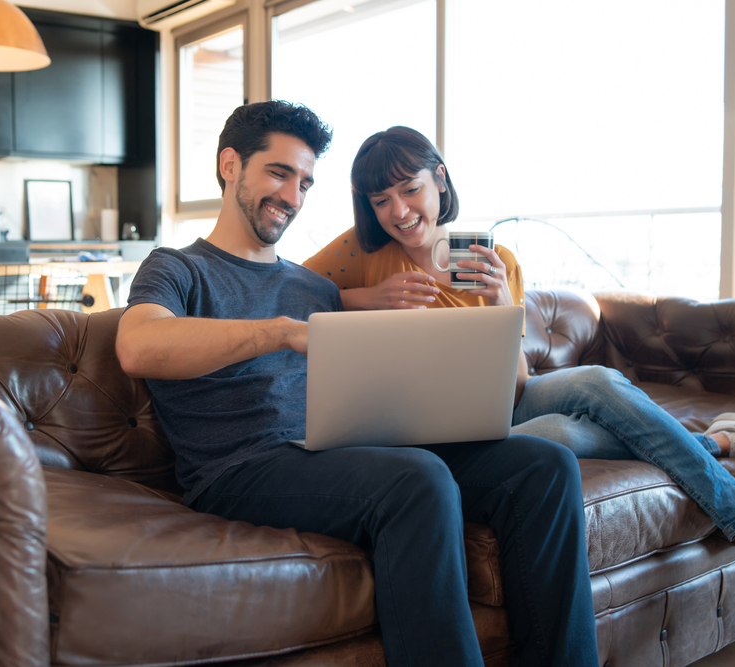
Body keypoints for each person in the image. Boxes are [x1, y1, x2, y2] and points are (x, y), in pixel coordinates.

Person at [302, 124, 735, 659]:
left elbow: (521, 383)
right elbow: (283, 286)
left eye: (409, 189)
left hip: (505, 405)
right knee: (550, 440)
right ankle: (721, 443)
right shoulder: (362, 253)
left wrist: (505, 307)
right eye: (381, 200)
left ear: (439, 179)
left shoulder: (494, 259)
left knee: (596, 381)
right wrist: (366, 298)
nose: (399, 211)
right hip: (441, 433)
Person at [116, 101, 600, 666]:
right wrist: (277, 334)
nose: (293, 197)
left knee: (543, 466)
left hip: (339, 450)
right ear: (230, 165)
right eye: (278, 173)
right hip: (242, 468)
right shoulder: (178, 268)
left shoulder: (312, 287)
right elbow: (137, 346)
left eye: (305, 182)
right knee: (417, 479)